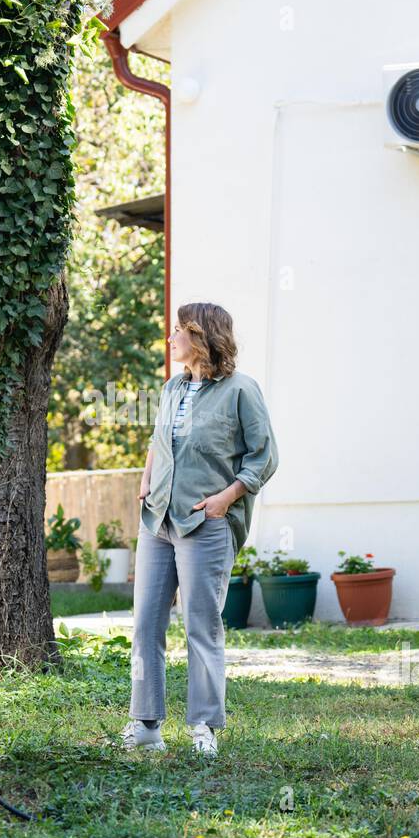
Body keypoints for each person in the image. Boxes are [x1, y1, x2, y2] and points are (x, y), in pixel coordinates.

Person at [123, 302, 279, 757]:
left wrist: (225, 500)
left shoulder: (240, 391)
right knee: (145, 623)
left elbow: (264, 456)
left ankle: (204, 728)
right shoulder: (173, 386)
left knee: (201, 625)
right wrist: (146, 478)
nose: (171, 337)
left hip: (206, 522)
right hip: (157, 520)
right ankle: (145, 723)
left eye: (179, 331)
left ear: (201, 337)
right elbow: (159, 439)